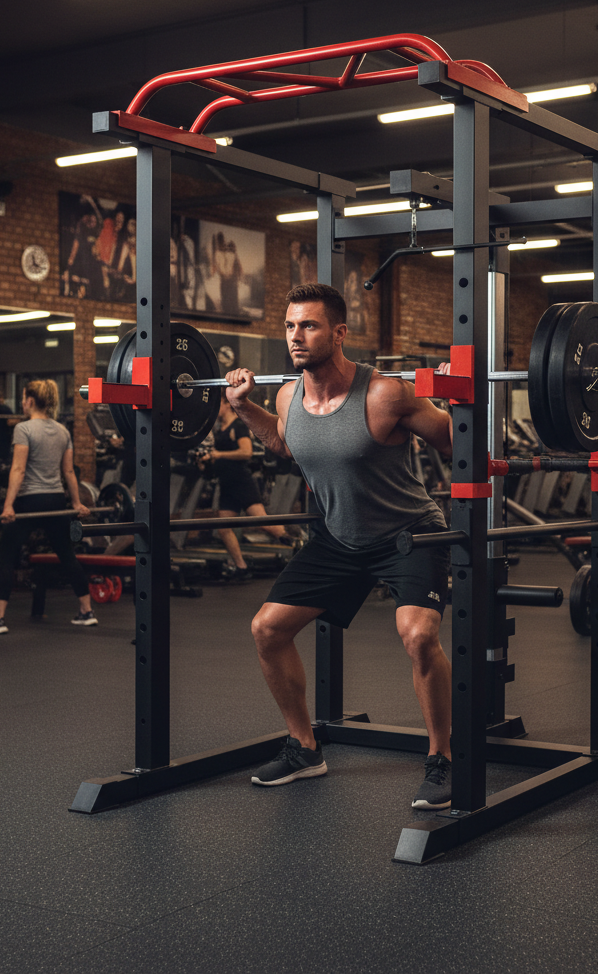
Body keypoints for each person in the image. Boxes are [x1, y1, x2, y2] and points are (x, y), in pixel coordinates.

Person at [223, 283, 455, 809]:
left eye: (308, 325)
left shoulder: (385, 393)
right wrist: (243, 407)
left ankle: (442, 759)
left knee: (417, 636)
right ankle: (305, 749)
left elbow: (453, 440)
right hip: (339, 537)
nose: (296, 336)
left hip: (408, 533)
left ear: (339, 332)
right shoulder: (288, 396)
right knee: (267, 628)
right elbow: (286, 443)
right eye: (289, 326)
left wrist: (456, 399)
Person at [0, 379, 95, 634]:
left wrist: (8, 506)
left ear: (30, 400)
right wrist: (75, 503)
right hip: (55, 500)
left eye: (23, 398)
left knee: (6, 556)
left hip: (29, 500)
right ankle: (86, 611)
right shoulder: (63, 431)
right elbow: (69, 472)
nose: (21, 403)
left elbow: (18, 469)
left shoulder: (23, 429)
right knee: (67, 554)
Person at [201, 396, 292, 580]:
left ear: (227, 405)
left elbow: (247, 452)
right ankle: (241, 566)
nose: (216, 408)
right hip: (227, 483)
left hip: (241, 482)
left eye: (218, 404)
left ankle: (297, 546)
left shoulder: (239, 426)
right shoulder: (221, 428)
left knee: (262, 522)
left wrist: (218, 454)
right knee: (224, 528)